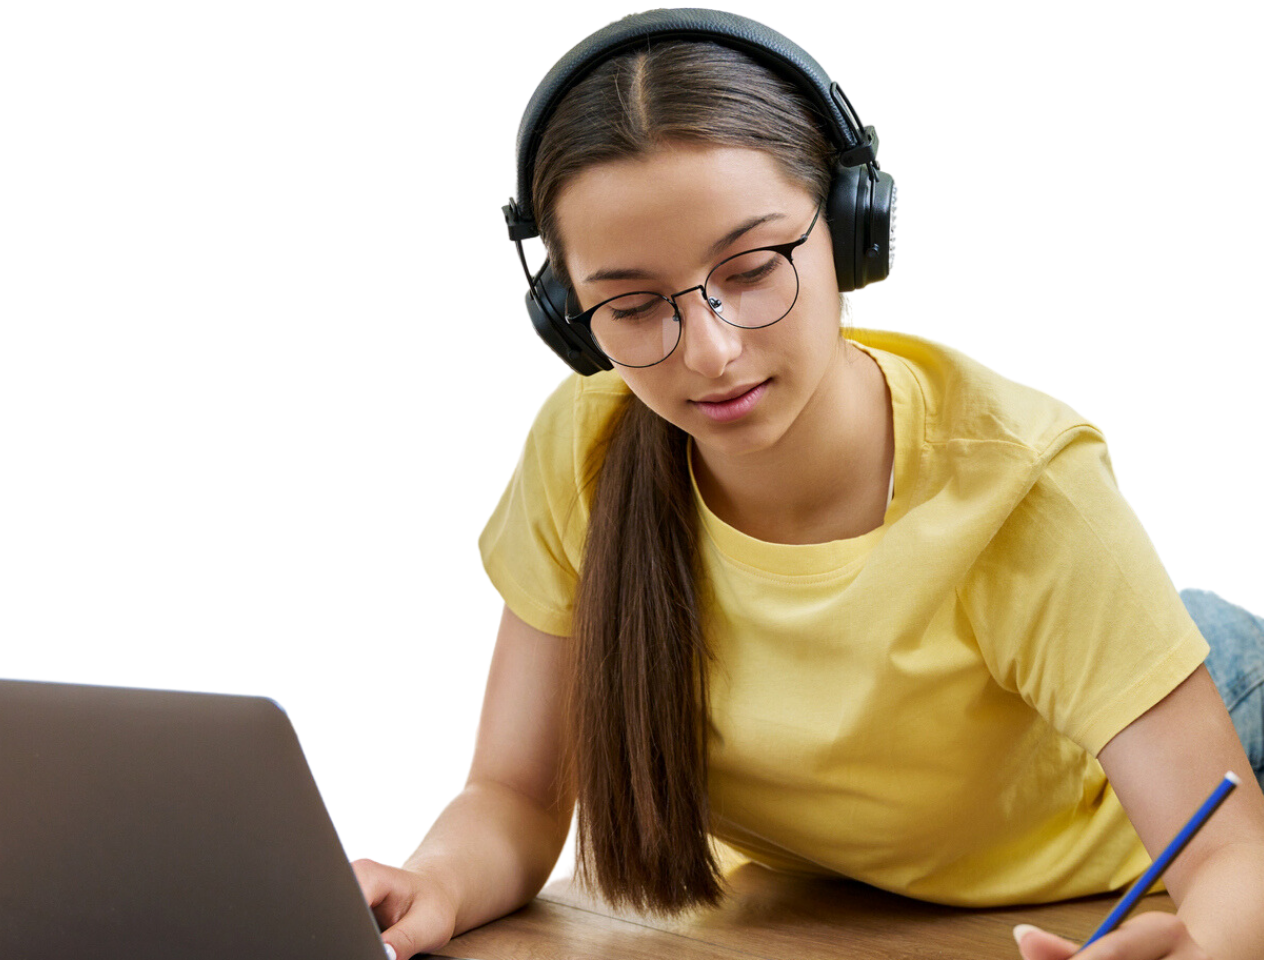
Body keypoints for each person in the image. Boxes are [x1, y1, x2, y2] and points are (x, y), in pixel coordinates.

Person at [352, 10, 1264, 960]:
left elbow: (1234, 853)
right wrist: (433, 883)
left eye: (751, 269)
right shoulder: (584, 451)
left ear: (849, 226)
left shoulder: (1025, 490)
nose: (710, 352)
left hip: (1213, 705)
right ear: (570, 319)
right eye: (629, 305)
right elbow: (516, 794)